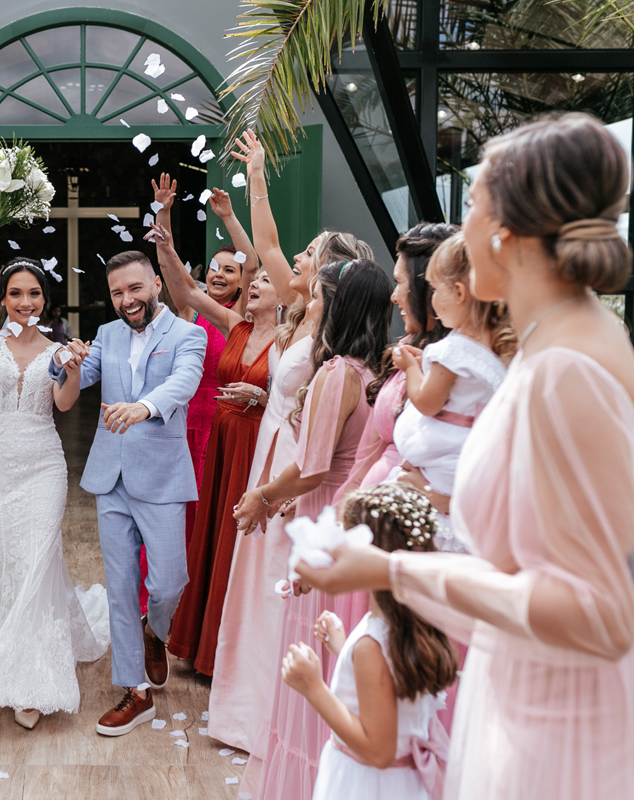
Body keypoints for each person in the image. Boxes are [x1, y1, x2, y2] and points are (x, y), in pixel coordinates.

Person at [294, 113, 634, 800]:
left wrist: (391, 569)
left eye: (471, 207)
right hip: (528, 688)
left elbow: (603, 613)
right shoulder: (562, 339)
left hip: (566, 726)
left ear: (506, 232)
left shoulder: (567, 368)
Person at [207, 131, 374, 752]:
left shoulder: (330, 328)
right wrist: (256, 174)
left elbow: (329, 420)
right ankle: (244, 715)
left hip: (296, 463)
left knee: (280, 582)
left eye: (310, 255)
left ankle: (277, 721)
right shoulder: (303, 313)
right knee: (255, 582)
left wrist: (276, 489)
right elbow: (269, 244)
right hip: (270, 451)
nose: (296, 259)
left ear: (329, 272)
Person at [234, 258, 392, 800]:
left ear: (338, 304)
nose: (312, 304)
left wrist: (263, 496)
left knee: (311, 656)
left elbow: (314, 466)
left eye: (319, 296)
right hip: (349, 523)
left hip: (325, 516)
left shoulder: (337, 372)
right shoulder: (371, 371)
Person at [0, 225, 108, 730]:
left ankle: (30, 681)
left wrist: (74, 369)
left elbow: (64, 403)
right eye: (15, 293)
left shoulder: (58, 350)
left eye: (34, 293)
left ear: (44, 299)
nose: (25, 302)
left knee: (35, 559)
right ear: (4, 299)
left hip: (42, 465)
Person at [49, 249, 207, 736]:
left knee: (169, 583)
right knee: (119, 588)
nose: (127, 300)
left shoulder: (188, 334)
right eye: (117, 292)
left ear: (156, 284)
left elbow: (185, 381)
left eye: (135, 288)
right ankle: (135, 692)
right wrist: (65, 359)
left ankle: (154, 630)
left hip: (162, 477)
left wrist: (145, 407)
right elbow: (77, 377)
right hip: (109, 477)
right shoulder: (107, 334)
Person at [148, 221, 277, 676]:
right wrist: (167, 240)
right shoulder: (233, 324)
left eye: (261, 280)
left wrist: (261, 396)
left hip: (249, 442)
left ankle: (230, 646)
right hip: (213, 433)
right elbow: (186, 290)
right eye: (255, 282)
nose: (253, 283)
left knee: (233, 538)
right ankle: (195, 634)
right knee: (206, 534)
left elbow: (255, 258)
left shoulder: (284, 336)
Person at [278, 485, 456, 800]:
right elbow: (388, 687)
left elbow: (379, 751)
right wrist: (343, 648)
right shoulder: (413, 622)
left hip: (367, 783)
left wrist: (313, 687)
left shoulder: (371, 645)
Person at [139, 174, 259, 617]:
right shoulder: (191, 309)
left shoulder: (241, 317)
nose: (219, 274)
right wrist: (163, 212)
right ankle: (162, 605)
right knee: (173, 518)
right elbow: (171, 269)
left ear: (242, 282)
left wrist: (228, 217)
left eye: (229, 270)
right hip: (183, 426)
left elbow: (253, 264)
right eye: (214, 267)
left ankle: (201, 608)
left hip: (222, 428)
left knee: (210, 520)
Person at [390, 233, 515, 553]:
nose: (431, 298)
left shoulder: (452, 350)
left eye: (435, 289)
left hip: (442, 465)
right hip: (470, 467)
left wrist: (411, 369)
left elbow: (427, 402)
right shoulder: (491, 352)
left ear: (458, 292)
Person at [334, 223, 457, 502]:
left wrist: (443, 500)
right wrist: (346, 503)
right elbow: (368, 452)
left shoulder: (461, 364)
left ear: (428, 288)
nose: (393, 296)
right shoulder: (406, 349)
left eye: (400, 283)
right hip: (372, 503)